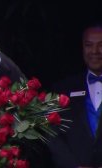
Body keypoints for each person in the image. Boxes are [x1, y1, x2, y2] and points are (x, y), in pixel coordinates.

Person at [48, 23, 102, 167]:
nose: (95, 51)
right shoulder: (63, 89)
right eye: (89, 45)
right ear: (82, 49)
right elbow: (53, 135)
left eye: (101, 45)